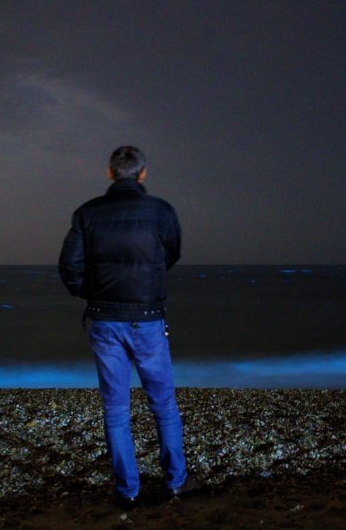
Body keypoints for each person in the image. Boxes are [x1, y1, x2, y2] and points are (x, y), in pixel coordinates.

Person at [58, 145, 200, 506]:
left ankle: (127, 490)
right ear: (143, 173)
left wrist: (94, 293)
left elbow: (69, 267)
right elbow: (172, 253)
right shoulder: (161, 211)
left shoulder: (87, 213)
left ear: (110, 173)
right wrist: (146, 280)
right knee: (163, 404)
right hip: (147, 319)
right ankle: (176, 482)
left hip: (104, 320)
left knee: (116, 409)